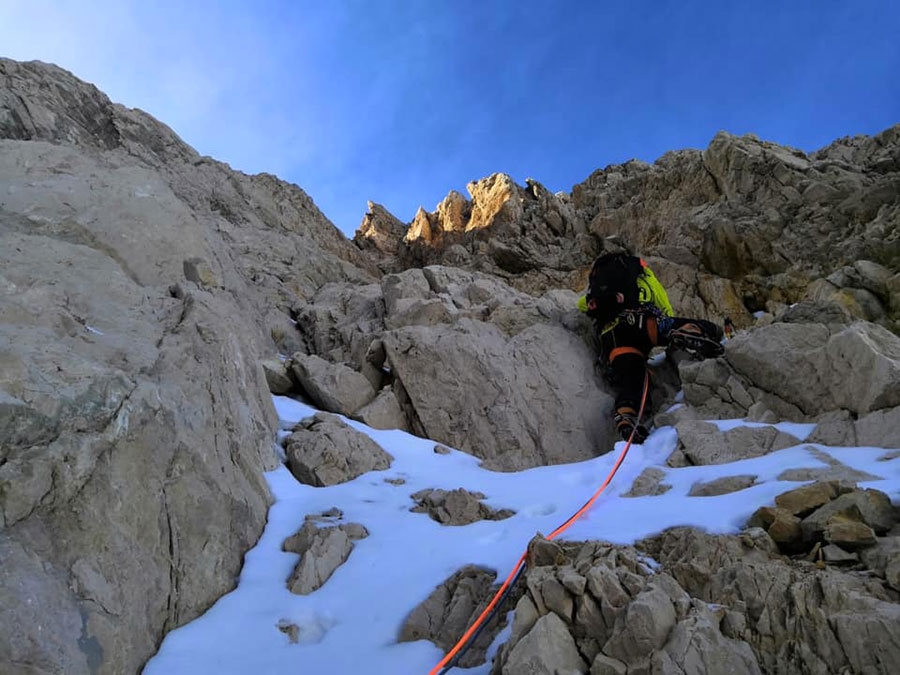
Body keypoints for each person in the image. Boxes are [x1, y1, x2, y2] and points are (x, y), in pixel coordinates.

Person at [578, 252, 724, 444]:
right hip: (640, 323)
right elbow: (661, 299)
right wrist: (668, 321)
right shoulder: (642, 275)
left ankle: (626, 415)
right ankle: (687, 331)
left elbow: (583, 305)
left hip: (612, 339)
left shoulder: (598, 288)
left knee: (630, 380)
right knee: (708, 328)